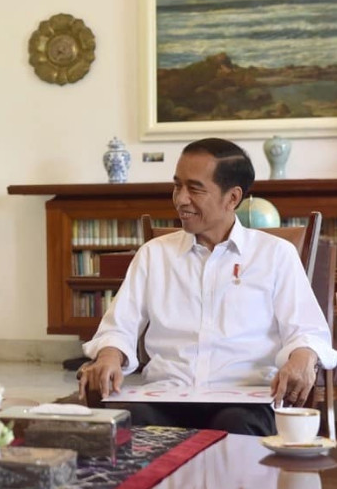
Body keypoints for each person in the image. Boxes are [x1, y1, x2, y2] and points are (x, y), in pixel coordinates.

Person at [79, 138, 337, 435]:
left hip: (246, 400)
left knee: (235, 427)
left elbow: (308, 331)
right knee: (131, 426)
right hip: (166, 396)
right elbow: (118, 328)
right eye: (177, 186)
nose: (180, 199)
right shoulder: (154, 254)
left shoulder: (276, 255)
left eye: (195, 189)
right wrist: (109, 355)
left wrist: (303, 357)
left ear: (232, 198)